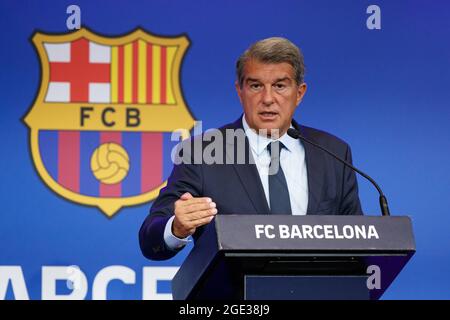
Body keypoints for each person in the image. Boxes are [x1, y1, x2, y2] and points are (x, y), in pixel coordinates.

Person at [139, 37, 363, 261]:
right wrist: (176, 228)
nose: (267, 99)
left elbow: (358, 240)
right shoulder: (201, 153)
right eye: (256, 86)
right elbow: (151, 238)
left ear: (300, 93)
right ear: (240, 91)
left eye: (280, 86)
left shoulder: (333, 153)